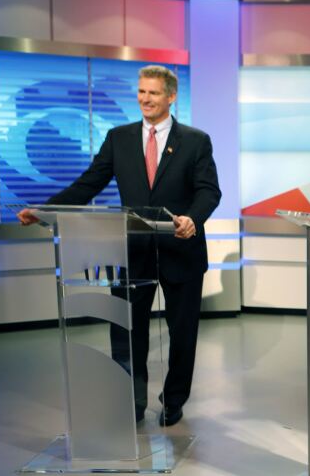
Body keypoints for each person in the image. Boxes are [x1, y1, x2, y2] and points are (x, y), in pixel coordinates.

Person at [18, 65, 221, 427]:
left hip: (182, 249)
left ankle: (174, 401)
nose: (145, 99)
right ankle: (132, 400)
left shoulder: (195, 140)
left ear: (171, 96)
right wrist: (45, 209)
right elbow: (89, 184)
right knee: (127, 331)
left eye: (153, 93)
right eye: (141, 92)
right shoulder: (119, 137)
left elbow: (209, 190)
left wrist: (193, 218)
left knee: (183, 333)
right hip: (132, 253)